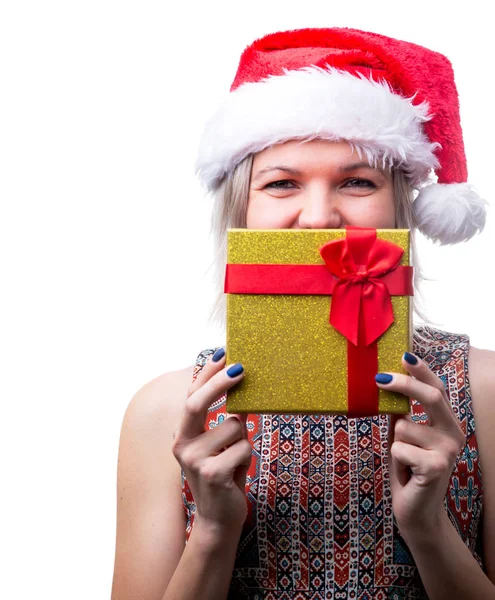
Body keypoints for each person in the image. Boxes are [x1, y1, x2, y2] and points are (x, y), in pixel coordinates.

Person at [111, 28, 495, 600]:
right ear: (242, 210)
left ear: (400, 208)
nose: (318, 218)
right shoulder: (164, 411)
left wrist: (430, 530)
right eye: (282, 183)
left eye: (357, 181)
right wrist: (214, 531)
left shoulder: (482, 391)